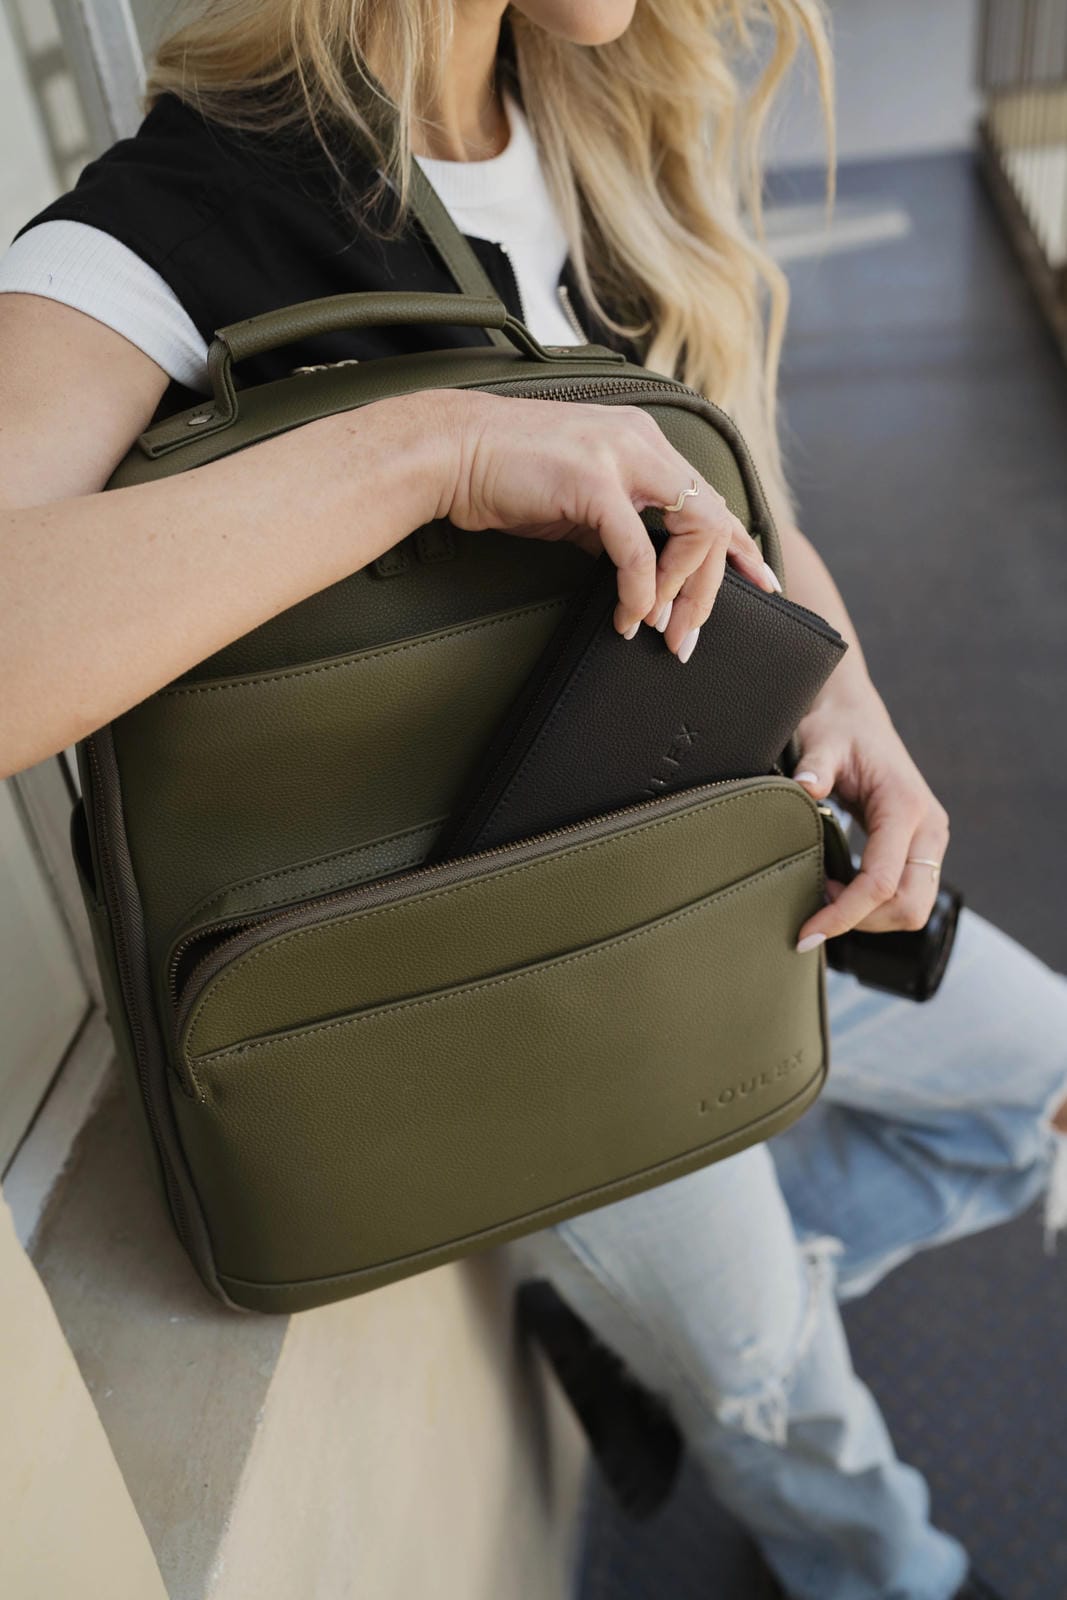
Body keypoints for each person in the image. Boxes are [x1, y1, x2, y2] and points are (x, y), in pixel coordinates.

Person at [0, 3, 1063, 1596]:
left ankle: (659, 1324)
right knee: (793, 1397)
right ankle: (883, 1567)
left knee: (1033, 1086)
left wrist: (850, 694)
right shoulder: (175, 225)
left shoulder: (588, 122)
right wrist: (423, 450)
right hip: (509, 985)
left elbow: (743, 497)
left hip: (721, 856)